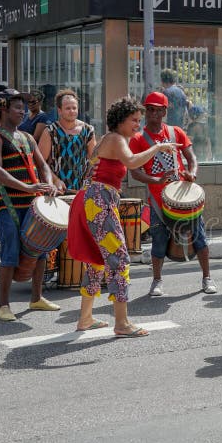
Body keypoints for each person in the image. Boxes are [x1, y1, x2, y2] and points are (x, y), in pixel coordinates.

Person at [72, 96, 179, 336]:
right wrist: (158, 147)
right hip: (99, 201)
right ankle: (121, 324)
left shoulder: (108, 139)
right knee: (119, 260)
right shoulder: (116, 139)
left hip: (92, 200)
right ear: (120, 121)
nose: (138, 125)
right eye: (134, 120)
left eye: (139, 120)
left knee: (96, 260)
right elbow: (131, 162)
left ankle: (85, 318)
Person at [129, 91, 218, 295]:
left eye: (157, 110)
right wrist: (155, 180)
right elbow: (134, 172)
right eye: (149, 109)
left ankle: (207, 278)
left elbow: (191, 157)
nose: (152, 113)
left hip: (182, 196)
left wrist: (192, 173)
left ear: (164, 111)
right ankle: (157, 281)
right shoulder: (137, 139)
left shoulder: (175, 132)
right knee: (159, 240)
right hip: (157, 199)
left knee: (199, 237)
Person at [0, 89, 61, 322]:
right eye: (18, 107)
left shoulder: (27, 138)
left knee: (39, 252)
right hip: (9, 207)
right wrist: (26, 187)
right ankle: (3, 305)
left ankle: (36, 298)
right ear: (3, 109)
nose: (23, 111)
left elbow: (43, 165)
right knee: (9, 256)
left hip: (32, 206)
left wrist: (48, 184)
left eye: (24, 107)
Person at [38, 89, 97, 194]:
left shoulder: (88, 130)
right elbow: (40, 163)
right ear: (59, 110)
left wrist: (88, 183)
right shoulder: (50, 131)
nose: (72, 111)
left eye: (74, 108)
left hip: (81, 192)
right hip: (57, 192)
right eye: (68, 108)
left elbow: (94, 160)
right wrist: (55, 181)